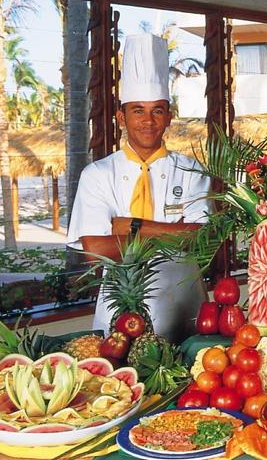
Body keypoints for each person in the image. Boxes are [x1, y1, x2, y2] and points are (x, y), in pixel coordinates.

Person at [67, 34, 212, 340]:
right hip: (116, 315)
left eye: (157, 110)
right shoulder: (97, 174)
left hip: (187, 309)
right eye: (138, 110)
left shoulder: (191, 170)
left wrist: (132, 227)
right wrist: (172, 232)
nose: (148, 121)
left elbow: (200, 239)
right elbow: (96, 251)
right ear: (122, 116)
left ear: (169, 117)